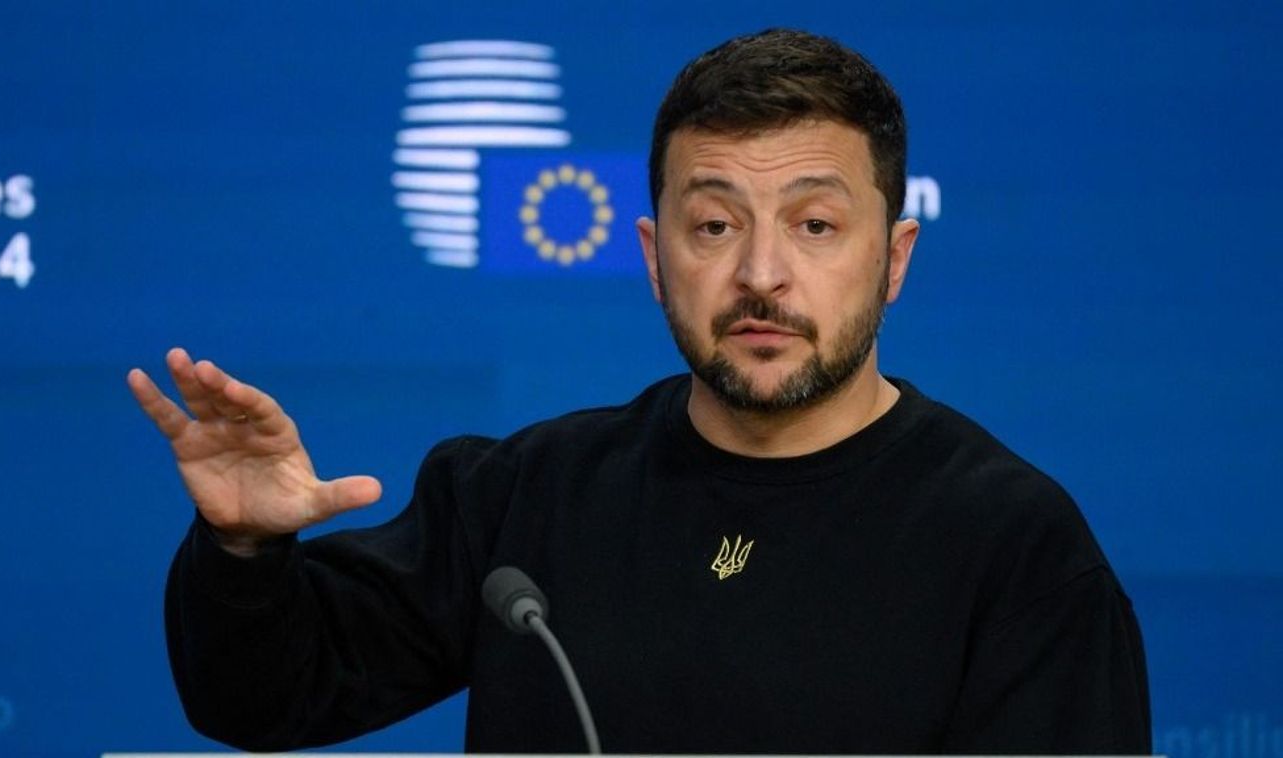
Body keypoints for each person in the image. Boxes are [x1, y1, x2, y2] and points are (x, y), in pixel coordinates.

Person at [128, 28, 1151, 753]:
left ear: (894, 259)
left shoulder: (1015, 546)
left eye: (815, 225)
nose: (760, 273)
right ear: (656, 258)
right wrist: (243, 549)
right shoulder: (531, 494)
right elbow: (261, 701)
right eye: (714, 225)